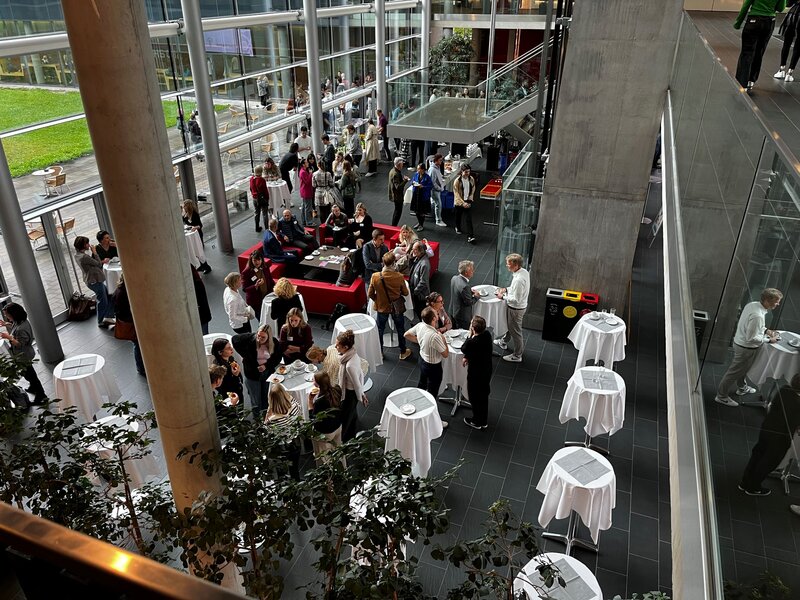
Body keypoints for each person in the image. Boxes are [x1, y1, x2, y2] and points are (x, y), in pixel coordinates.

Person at [715, 288, 783, 406]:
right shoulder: (758, 316)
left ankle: (742, 387)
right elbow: (751, 338)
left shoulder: (752, 305)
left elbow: (751, 327)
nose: (778, 304)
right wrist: (769, 339)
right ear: (767, 300)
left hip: (740, 344)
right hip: (746, 349)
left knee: (743, 369)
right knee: (733, 373)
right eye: (776, 301)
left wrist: (766, 330)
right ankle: (721, 396)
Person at [739, 374, 800, 495]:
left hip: (767, 428)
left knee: (757, 454)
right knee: (769, 462)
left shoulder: (784, 390)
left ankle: (745, 481)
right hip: (781, 437)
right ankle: (753, 487)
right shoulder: (798, 404)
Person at [404, 308, 450, 420]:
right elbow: (445, 354)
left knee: (422, 384)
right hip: (434, 367)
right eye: (436, 313)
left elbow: (406, 334)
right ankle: (431, 419)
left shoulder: (420, 325)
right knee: (432, 393)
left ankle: (416, 406)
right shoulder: (435, 336)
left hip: (422, 361)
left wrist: (420, 341)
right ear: (434, 318)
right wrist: (444, 341)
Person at [232, 324, 283, 420]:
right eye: (258, 335)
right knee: (256, 400)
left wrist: (266, 366)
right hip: (252, 374)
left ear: (269, 336)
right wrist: (245, 355)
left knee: (266, 396)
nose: (259, 338)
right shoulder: (250, 339)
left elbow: (277, 358)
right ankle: (257, 420)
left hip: (267, 374)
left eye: (263, 337)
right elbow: (234, 339)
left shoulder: (274, 343)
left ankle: (266, 417)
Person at [368, 252, 412, 360]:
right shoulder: (399, 277)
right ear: (394, 263)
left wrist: (378, 300)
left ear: (383, 263)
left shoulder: (375, 276)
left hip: (381, 307)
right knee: (400, 328)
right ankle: (402, 351)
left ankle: (380, 353)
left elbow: (370, 294)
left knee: (380, 330)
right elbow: (406, 293)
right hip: (396, 307)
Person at [0, 302, 47, 404]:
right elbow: (14, 326)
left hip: (24, 355)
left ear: (14, 314)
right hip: (23, 355)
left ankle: (41, 395)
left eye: (8, 315)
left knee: (31, 376)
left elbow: (20, 344)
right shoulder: (20, 321)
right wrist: (6, 324)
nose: (7, 317)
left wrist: (8, 337)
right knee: (27, 373)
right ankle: (32, 387)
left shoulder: (21, 328)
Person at [734, 0, 787, 90]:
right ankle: (751, 80)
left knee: (747, 53)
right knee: (759, 52)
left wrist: (738, 22)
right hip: (769, 22)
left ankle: (742, 83)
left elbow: (746, 4)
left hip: (753, 21)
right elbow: (781, 8)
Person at [493, 253, 531, 363]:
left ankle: (517, 355)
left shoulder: (518, 280)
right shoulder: (523, 272)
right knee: (511, 327)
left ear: (515, 265)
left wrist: (502, 296)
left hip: (515, 309)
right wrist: (505, 289)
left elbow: (516, 299)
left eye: (508, 264)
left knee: (516, 332)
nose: (507, 266)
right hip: (519, 307)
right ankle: (503, 341)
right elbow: (515, 290)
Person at [74, 236, 116, 328]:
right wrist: (95, 252)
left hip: (91, 280)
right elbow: (98, 263)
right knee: (103, 301)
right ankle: (101, 321)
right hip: (95, 281)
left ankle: (108, 316)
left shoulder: (77, 255)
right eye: (87, 243)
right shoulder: (84, 257)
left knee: (108, 296)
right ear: (83, 245)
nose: (89, 245)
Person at [335, 329, 368, 441]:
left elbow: (357, 384)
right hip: (351, 392)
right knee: (351, 413)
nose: (336, 347)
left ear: (345, 347)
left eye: (338, 346)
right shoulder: (353, 353)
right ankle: (352, 431)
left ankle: (344, 438)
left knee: (346, 417)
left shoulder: (349, 365)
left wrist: (361, 396)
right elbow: (361, 375)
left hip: (349, 394)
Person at [265, 383, 302, 481]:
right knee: (294, 469)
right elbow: (295, 404)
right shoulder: (295, 407)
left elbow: (266, 428)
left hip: (281, 447)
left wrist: (269, 411)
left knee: (281, 472)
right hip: (295, 442)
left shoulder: (273, 419)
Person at [462, 315, 493, 430]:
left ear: (473, 328)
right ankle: (483, 420)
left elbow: (464, 348)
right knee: (484, 396)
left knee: (474, 396)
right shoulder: (487, 335)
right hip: (486, 370)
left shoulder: (472, 342)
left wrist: (470, 336)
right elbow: (476, 351)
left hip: (476, 374)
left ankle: (477, 421)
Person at [112, 277, 145, 377]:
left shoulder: (118, 290)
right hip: (131, 323)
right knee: (138, 345)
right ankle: (141, 367)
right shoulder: (127, 293)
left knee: (137, 345)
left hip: (125, 321)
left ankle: (141, 367)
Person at [308, 371, 343, 463]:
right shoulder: (337, 389)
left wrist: (310, 402)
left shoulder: (319, 402)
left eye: (314, 380)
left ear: (318, 384)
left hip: (325, 433)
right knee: (339, 450)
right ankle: (343, 469)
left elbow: (314, 418)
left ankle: (328, 476)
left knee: (323, 458)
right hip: (337, 426)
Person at [241, 249, 274, 321]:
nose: (257, 262)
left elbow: (270, 280)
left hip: (267, 297)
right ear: (251, 260)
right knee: (262, 321)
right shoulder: (246, 272)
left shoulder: (265, 267)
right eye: (255, 260)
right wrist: (255, 286)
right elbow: (244, 289)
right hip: (256, 302)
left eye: (259, 260)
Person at [211, 338, 244, 405]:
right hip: (229, 394)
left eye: (230, 346)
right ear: (220, 352)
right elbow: (221, 385)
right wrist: (235, 375)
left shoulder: (230, 358)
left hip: (237, 389)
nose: (231, 349)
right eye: (228, 348)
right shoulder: (219, 367)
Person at [181, 200, 212, 273]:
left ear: (188, 206)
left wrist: (195, 227)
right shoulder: (185, 215)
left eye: (185, 206)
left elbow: (200, 225)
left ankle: (206, 267)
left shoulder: (195, 214)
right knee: (193, 251)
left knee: (199, 250)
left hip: (197, 234)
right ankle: (200, 266)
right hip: (190, 234)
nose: (184, 207)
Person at [450, 260, 481, 330]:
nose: (473, 271)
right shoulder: (465, 286)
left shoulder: (454, 278)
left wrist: (469, 292)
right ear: (466, 273)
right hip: (462, 317)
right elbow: (469, 302)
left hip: (453, 311)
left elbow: (458, 292)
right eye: (472, 270)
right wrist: (476, 296)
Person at [774, 0, 800, 81]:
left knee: (787, 43)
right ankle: (789, 73)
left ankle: (782, 69)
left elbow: (788, 4)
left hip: (793, 15)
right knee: (798, 45)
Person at [454, 163, 477, 244]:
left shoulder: (471, 179)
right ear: (462, 172)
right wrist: (463, 203)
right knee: (458, 216)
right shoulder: (457, 181)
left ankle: (470, 236)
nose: (467, 173)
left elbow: (473, 187)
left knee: (468, 219)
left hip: (468, 200)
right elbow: (456, 193)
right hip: (460, 202)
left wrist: (470, 198)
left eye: (468, 172)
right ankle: (458, 227)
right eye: (466, 172)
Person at [409, 241, 431, 319]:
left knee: (421, 314)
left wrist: (414, 292)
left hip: (420, 295)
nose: (412, 251)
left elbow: (423, 282)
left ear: (420, 251)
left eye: (414, 249)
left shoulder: (424, 264)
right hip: (416, 293)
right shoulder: (417, 258)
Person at [410, 163, 433, 231]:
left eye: (418, 169)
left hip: (423, 196)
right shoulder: (416, 175)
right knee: (417, 211)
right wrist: (413, 183)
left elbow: (430, 186)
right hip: (416, 195)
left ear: (422, 170)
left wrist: (423, 187)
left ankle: (421, 224)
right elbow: (412, 181)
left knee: (422, 212)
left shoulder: (427, 177)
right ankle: (419, 222)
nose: (417, 170)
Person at [388, 156, 410, 227]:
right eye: (402, 164)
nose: (403, 165)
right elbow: (398, 187)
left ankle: (393, 225)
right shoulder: (396, 174)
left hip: (395, 195)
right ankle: (394, 226)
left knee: (396, 211)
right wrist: (405, 181)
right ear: (399, 164)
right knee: (398, 212)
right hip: (397, 196)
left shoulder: (393, 171)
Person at [191, 264, 212, 335]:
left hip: (201, 315)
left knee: (204, 333)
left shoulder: (196, 285)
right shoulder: (198, 283)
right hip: (202, 315)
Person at [249, 165, 270, 233]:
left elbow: (250, 189)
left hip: (255, 198)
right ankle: (267, 229)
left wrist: (253, 195)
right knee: (265, 214)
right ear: (261, 171)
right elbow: (265, 191)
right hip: (262, 198)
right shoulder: (261, 180)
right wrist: (267, 198)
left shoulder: (251, 179)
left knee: (256, 213)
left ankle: (257, 227)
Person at [428, 153, 446, 227]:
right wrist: (440, 189)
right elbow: (432, 183)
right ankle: (438, 220)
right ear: (436, 160)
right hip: (435, 190)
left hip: (437, 189)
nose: (441, 162)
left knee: (435, 203)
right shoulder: (433, 170)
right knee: (438, 204)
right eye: (440, 160)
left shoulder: (437, 167)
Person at [298, 158, 315, 227]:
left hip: (304, 191)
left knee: (304, 207)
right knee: (308, 207)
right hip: (306, 191)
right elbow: (307, 182)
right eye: (306, 162)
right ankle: (309, 222)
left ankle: (304, 221)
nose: (308, 163)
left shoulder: (302, 171)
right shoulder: (303, 172)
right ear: (303, 164)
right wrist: (311, 173)